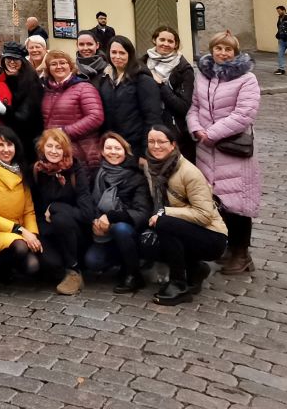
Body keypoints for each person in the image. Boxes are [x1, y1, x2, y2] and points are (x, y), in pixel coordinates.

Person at [189, 31, 261, 275]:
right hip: (206, 149)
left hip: (232, 149)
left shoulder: (246, 79)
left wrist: (212, 133)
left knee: (238, 203)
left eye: (228, 49)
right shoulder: (203, 76)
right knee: (217, 199)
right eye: (218, 48)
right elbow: (194, 107)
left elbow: (244, 114)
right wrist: (196, 129)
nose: (222, 53)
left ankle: (242, 253)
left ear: (235, 53)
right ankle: (230, 247)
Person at [141, 123, 228, 305]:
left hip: (212, 235)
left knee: (163, 222)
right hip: (185, 227)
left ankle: (178, 284)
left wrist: (165, 212)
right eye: (151, 142)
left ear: (173, 145)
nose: (156, 146)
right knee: (147, 241)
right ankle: (195, 269)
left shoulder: (189, 172)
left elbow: (204, 214)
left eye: (161, 142)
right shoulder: (153, 166)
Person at [0, 126, 45, 300]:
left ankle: (4, 268)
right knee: (20, 247)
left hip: (16, 229)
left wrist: (32, 234)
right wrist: (22, 232)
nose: (6, 149)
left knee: (33, 265)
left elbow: (29, 210)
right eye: (1, 145)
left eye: (9, 145)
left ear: (16, 147)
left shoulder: (21, 171)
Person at [81, 132, 151, 292]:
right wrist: (95, 220)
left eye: (117, 148)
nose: (113, 152)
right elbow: (89, 200)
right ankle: (122, 262)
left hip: (131, 230)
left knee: (121, 229)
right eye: (109, 148)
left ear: (125, 151)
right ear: (103, 152)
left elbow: (142, 213)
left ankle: (134, 274)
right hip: (103, 231)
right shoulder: (98, 173)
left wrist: (111, 217)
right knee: (93, 262)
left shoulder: (136, 177)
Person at [31, 128, 89, 295]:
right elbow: (33, 207)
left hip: (73, 230)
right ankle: (60, 268)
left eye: (58, 147)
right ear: (42, 147)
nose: (54, 151)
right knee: (51, 266)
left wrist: (55, 208)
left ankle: (74, 270)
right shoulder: (36, 170)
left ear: (65, 150)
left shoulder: (75, 170)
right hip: (46, 229)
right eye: (50, 146)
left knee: (61, 218)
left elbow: (86, 213)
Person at [97, 37, 162, 160]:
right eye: (114, 52)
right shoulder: (105, 79)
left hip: (134, 147)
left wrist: (145, 152)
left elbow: (152, 117)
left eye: (122, 53)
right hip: (112, 146)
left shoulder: (142, 79)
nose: (117, 56)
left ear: (130, 54)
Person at [40, 48, 104, 166]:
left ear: (70, 66)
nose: (59, 66)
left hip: (80, 151)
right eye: (54, 64)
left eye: (63, 63)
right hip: (55, 151)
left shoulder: (84, 87)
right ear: (48, 69)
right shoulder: (47, 91)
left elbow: (96, 117)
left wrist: (64, 131)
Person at [145, 26, 196, 159]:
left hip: (175, 132)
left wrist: (161, 85)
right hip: (148, 128)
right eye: (162, 39)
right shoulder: (142, 63)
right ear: (154, 40)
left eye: (170, 41)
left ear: (176, 44)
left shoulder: (184, 69)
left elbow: (183, 106)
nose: (165, 44)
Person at [1, 42, 44, 153]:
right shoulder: (3, 78)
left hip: (26, 139)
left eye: (15, 59)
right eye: (8, 58)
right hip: (7, 137)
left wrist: (3, 110)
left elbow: (24, 118)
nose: (11, 62)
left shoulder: (31, 82)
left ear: (22, 61)